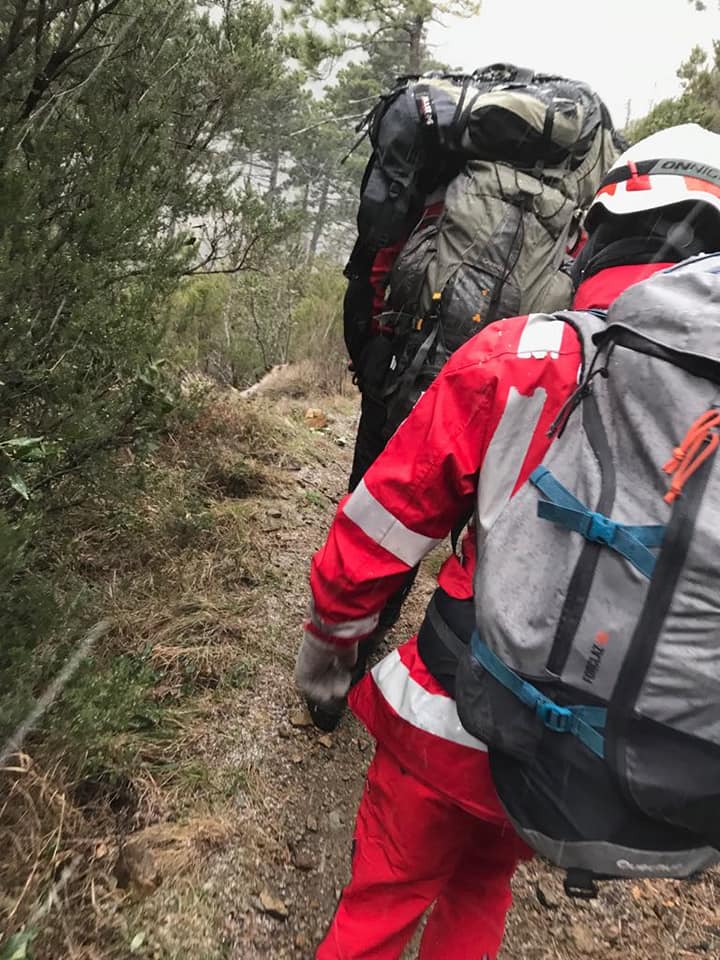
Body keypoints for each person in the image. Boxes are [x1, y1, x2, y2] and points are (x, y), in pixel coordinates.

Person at [295, 123, 720, 960]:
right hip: (580, 761)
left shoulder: (523, 354)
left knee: (384, 895)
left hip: (451, 710)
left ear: (593, 235)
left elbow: (371, 543)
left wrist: (327, 660)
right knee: (483, 884)